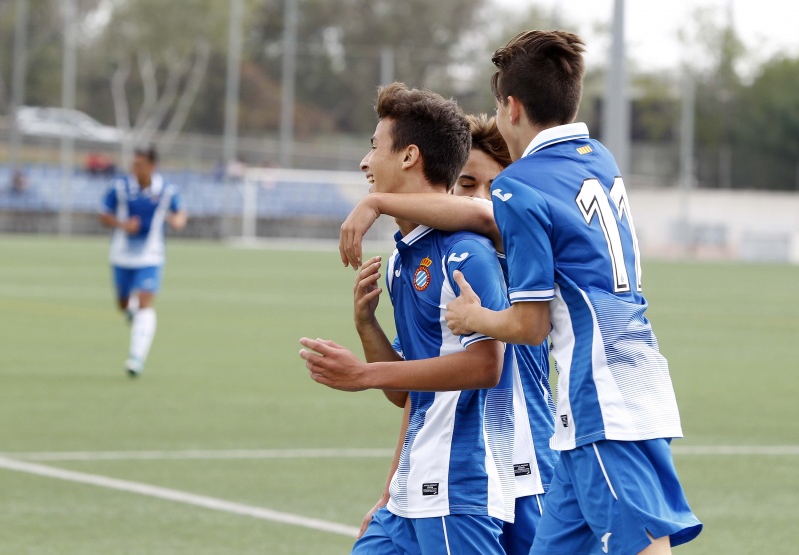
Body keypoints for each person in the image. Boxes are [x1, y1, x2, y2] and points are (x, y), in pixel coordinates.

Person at [444, 31, 702, 555]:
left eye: (497, 109)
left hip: (602, 395)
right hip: (627, 378)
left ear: (511, 108)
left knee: (641, 544)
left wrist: (473, 317)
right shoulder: (599, 157)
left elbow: (529, 324)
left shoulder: (519, 185)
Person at [299, 83, 516, 555]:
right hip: (408, 492)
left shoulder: (467, 253)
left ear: (408, 156)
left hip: (458, 488)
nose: (364, 162)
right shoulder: (401, 261)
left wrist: (363, 373)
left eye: (374, 146)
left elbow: (485, 366)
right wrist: (368, 329)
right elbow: (407, 394)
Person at [339, 114, 557, 555]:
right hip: (455, 468)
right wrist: (391, 490)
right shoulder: (426, 258)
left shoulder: (507, 244)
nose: (477, 197)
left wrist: (377, 202)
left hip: (527, 463)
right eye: (465, 182)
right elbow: (417, 391)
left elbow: (484, 215)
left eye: (491, 186)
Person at [99, 146, 187, 377]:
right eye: (133, 163)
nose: (134, 168)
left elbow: (180, 213)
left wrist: (177, 221)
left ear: (151, 166)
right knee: (124, 304)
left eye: (139, 164)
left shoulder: (166, 190)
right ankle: (131, 309)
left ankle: (136, 359)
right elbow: (103, 213)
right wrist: (122, 225)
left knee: (146, 301)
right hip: (121, 255)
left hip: (150, 255)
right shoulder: (119, 187)